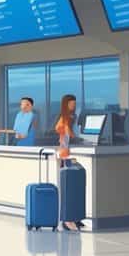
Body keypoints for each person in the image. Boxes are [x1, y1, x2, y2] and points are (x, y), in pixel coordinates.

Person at [54, 95, 80, 231]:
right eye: (71, 104)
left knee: (70, 189)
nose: (73, 106)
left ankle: (72, 218)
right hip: (65, 156)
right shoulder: (65, 119)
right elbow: (61, 131)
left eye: (74, 104)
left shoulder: (70, 118)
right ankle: (67, 219)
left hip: (67, 154)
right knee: (67, 190)